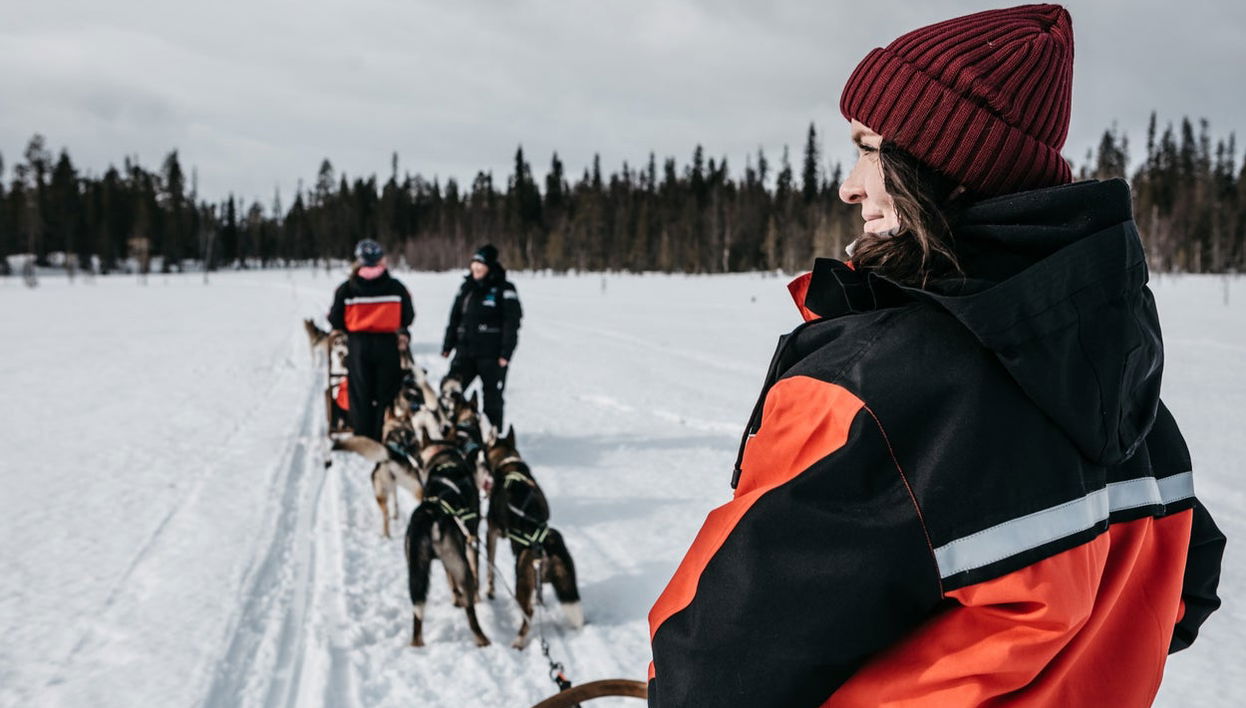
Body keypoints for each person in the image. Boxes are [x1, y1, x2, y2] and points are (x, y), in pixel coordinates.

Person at [647, 6, 1225, 707]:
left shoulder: (878, 390)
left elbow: (717, 669)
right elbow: (1186, 586)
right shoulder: (1114, 373)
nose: (849, 184)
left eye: (869, 148)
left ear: (945, 169)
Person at [327, 239, 414, 442]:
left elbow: (335, 319)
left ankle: (363, 434)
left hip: (359, 345)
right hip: (387, 343)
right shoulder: (396, 287)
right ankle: (383, 431)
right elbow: (408, 316)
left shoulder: (347, 289)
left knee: (360, 391)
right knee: (386, 389)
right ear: (380, 260)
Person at [441, 244, 522, 431]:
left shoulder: (504, 289)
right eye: (474, 264)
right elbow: (454, 318)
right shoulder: (466, 288)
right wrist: (448, 344)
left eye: (481, 264)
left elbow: (512, 323)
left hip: (492, 355)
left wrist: (506, 353)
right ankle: (450, 429)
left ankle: (492, 435)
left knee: (492, 397)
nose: (476, 268)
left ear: (490, 267)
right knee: (450, 390)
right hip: (465, 351)